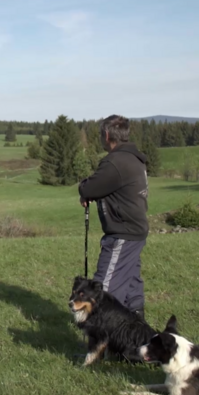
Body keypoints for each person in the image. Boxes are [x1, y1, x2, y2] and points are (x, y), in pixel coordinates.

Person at [78, 115, 149, 320]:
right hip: (134, 231)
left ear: (107, 135)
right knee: (131, 285)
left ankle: (100, 347)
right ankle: (135, 337)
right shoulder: (134, 158)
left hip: (122, 233)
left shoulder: (115, 161)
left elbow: (91, 186)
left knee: (103, 290)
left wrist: (84, 191)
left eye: (101, 134)